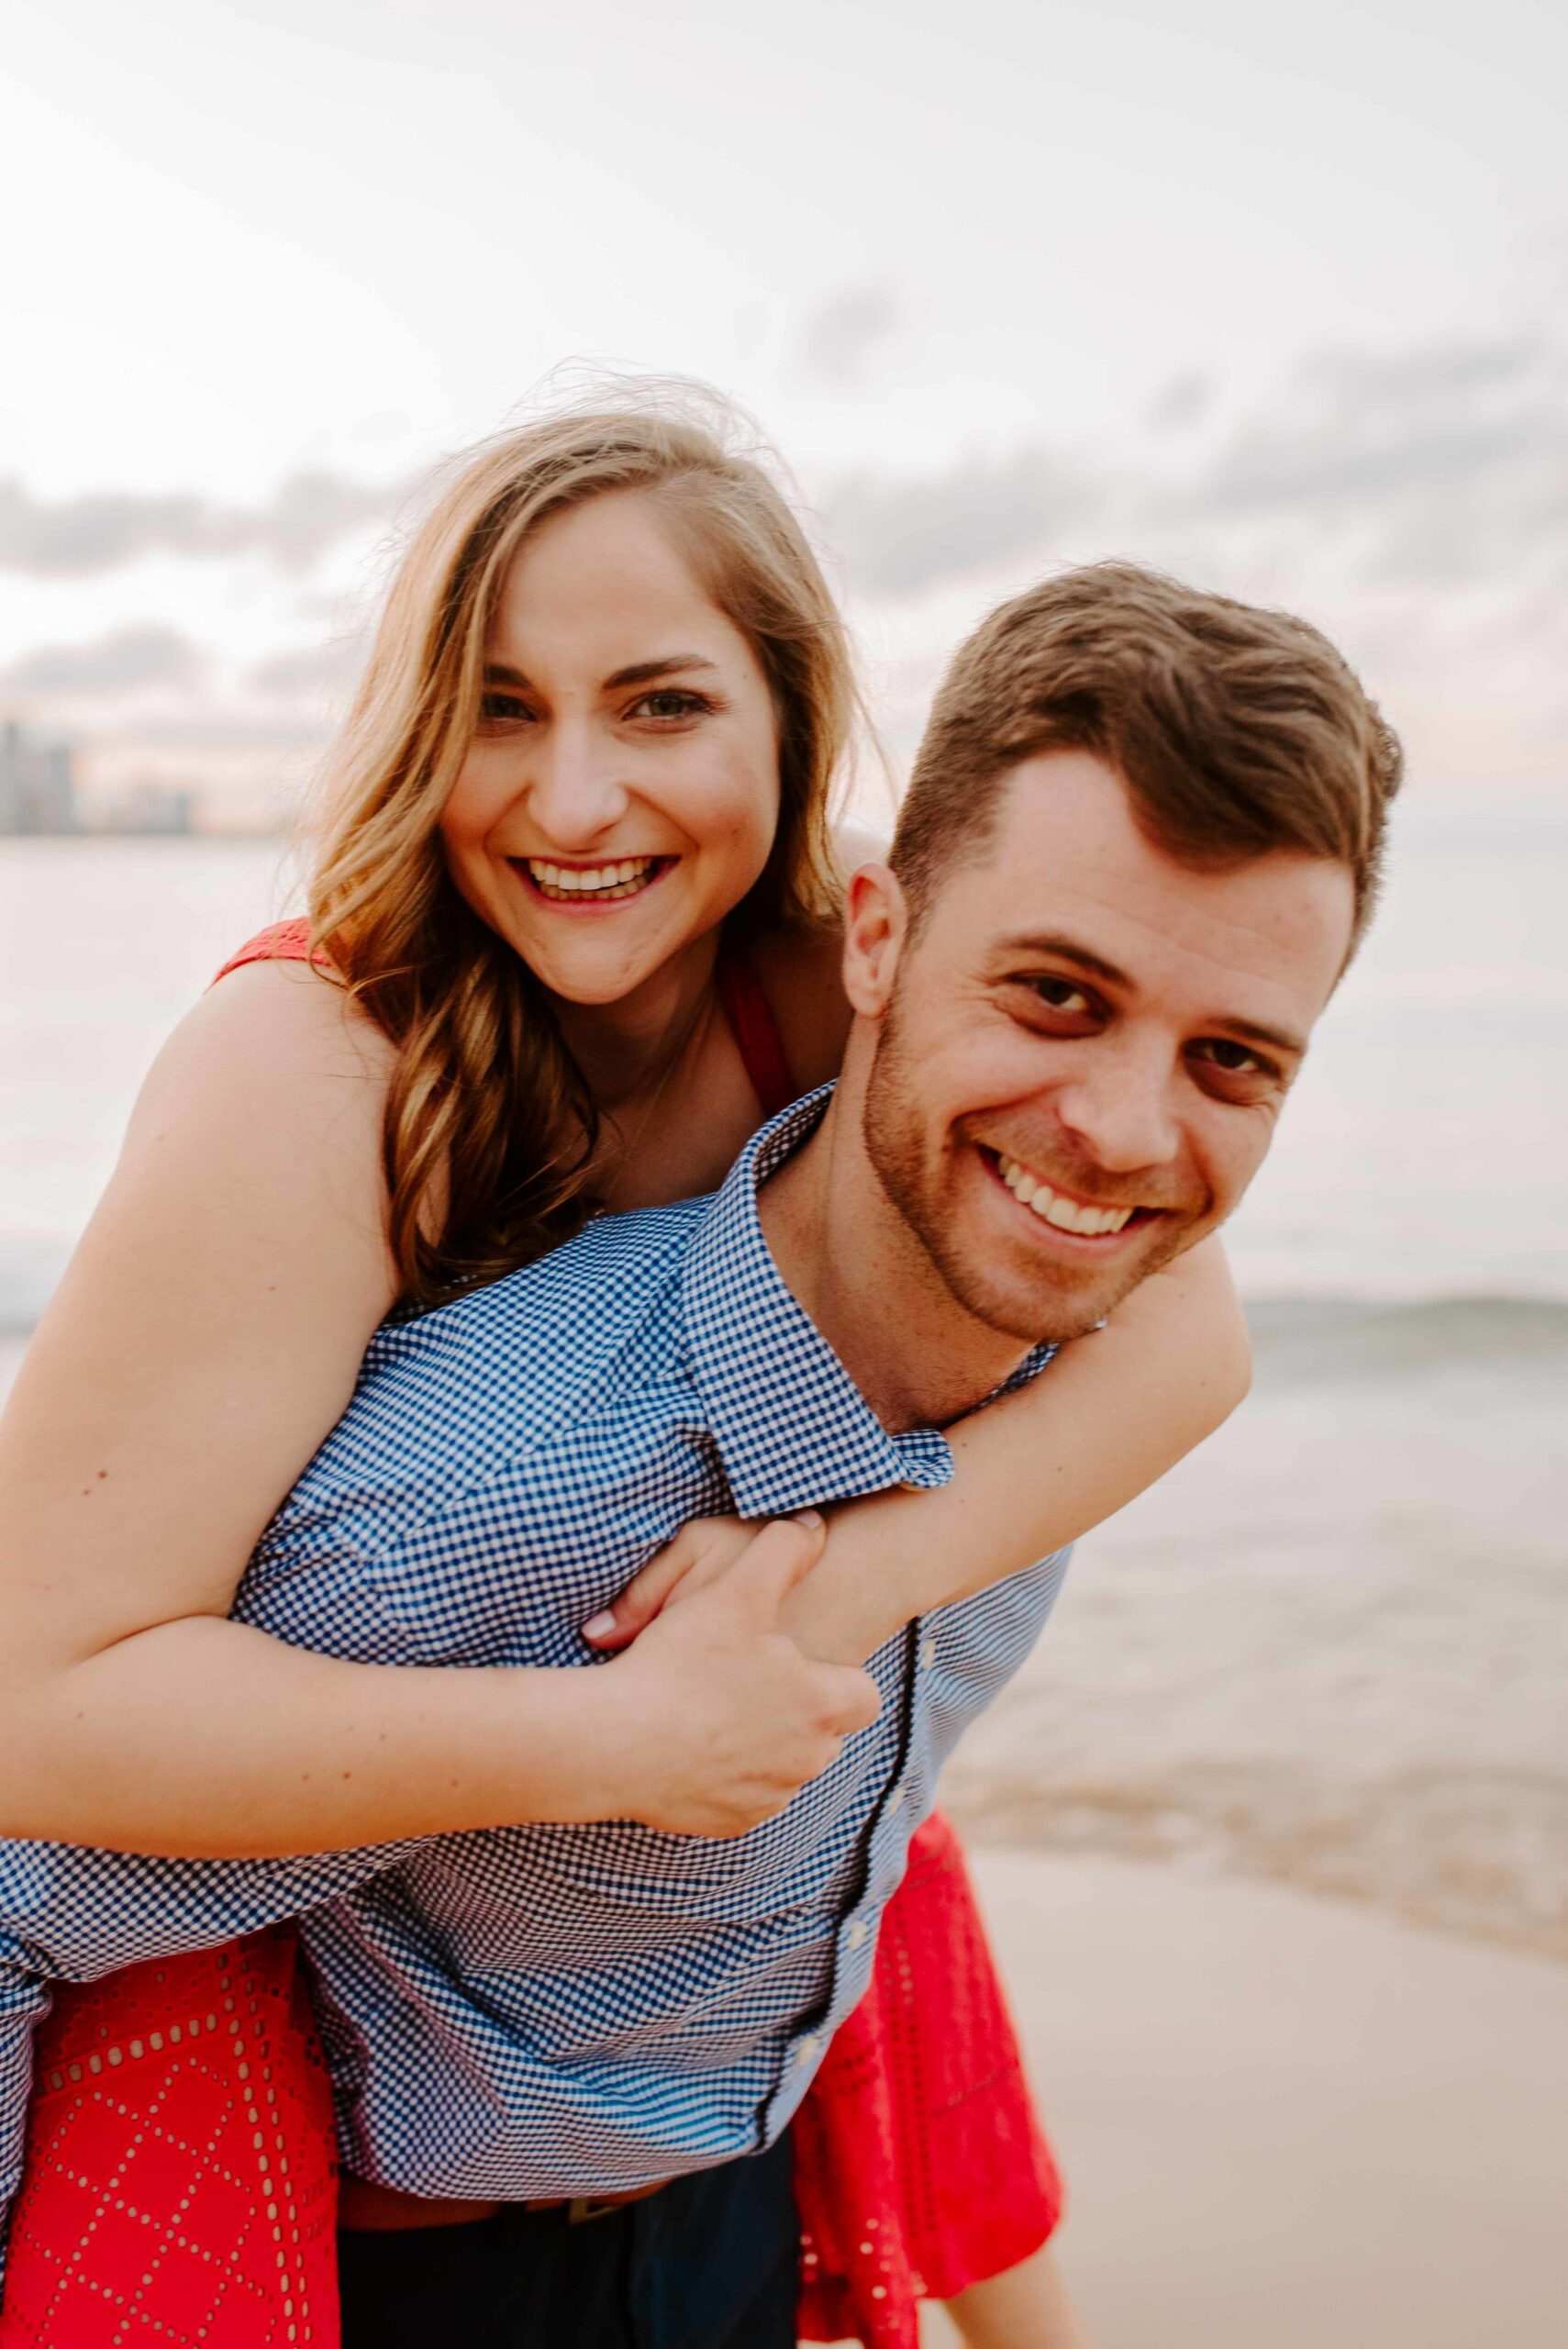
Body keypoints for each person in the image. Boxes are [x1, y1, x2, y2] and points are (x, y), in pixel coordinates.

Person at [0, 549, 1397, 2346]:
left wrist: (850, 1579)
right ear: (871, 939)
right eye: (1055, 994)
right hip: (438, 2273)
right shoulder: (498, 1502)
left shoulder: (1060, 1357)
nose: (1122, 1130)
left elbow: (1197, 1344)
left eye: (1232, 1060)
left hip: (732, 2217)